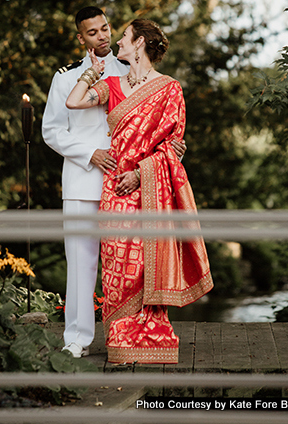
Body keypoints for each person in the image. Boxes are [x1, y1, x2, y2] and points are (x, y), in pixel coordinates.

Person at [66, 18, 213, 364]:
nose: (117, 41)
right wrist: (92, 72)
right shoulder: (112, 85)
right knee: (117, 265)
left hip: (150, 191)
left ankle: (151, 334)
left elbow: (172, 146)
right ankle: (120, 336)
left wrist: (141, 175)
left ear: (140, 43)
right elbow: (73, 102)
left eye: (124, 37)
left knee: (148, 264)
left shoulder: (169, 89)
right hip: (115, 189)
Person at [42, 8, 185, 358]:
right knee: (80, 262)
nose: (103, 36)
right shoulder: (67, 78)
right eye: (93, 32)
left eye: (106, 28)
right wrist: (89, 153)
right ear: (81, 38)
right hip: (82, 180)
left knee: (128, 267)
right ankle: (76, 339)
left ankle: (124, 334)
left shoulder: (135, 73)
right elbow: (51, 130)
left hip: (127, 185)